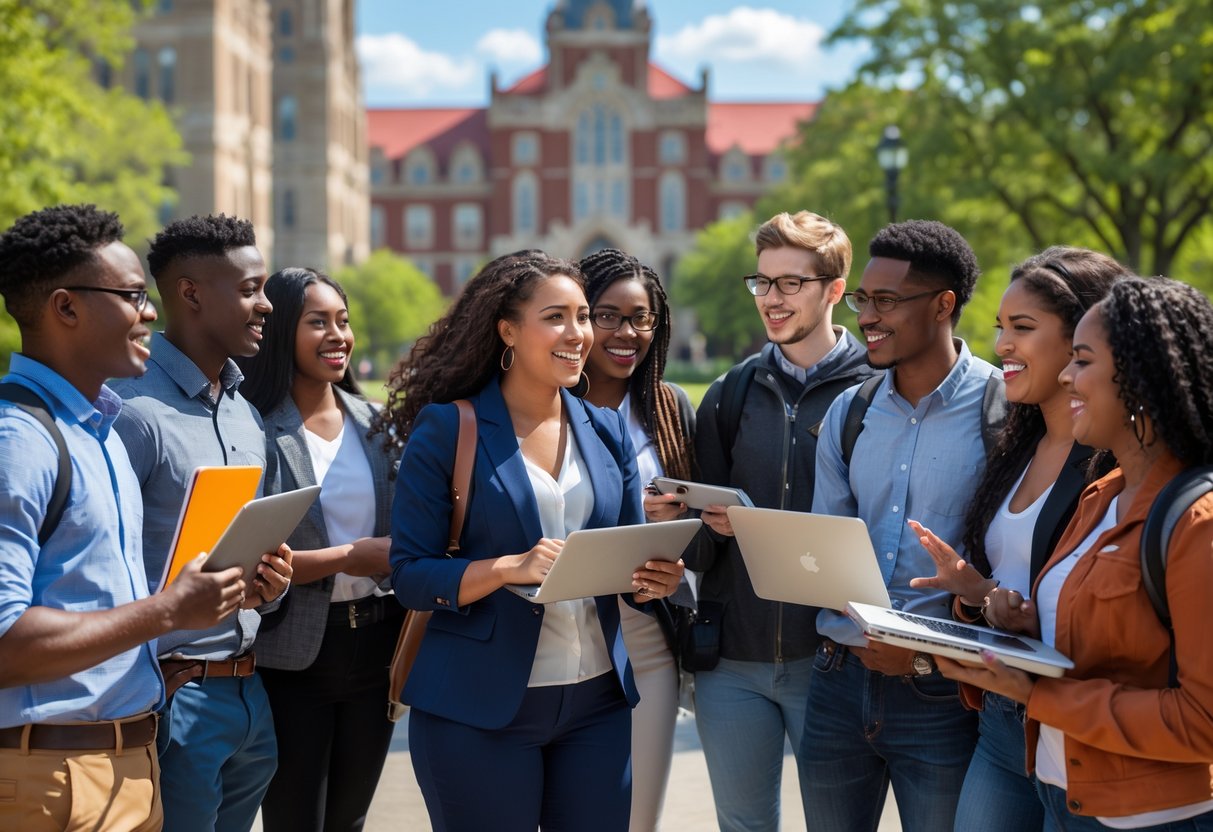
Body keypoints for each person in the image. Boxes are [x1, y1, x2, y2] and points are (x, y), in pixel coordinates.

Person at [378, 250, 685, 832]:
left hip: (598, 704)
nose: (578, 334)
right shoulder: (449, 428)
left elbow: (623, 557)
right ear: (508, 330)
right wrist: (503, 568)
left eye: (583, 316)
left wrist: (652, 582)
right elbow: (410, 575)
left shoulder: (606, 428)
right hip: (479, 709)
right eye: (556, 317)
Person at [0, 204, 248, 831]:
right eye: (133, 296)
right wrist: (169, 611)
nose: (151, 312)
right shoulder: (19, 442)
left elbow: (100, 609)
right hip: (50, 780)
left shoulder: (105, 432)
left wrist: (198, 606)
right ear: (66, 307)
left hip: (132, 763)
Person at [942, 277, 1213, 830]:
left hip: (1152, 817)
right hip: (1061, 796)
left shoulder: (1194, 522)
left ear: (1138, 381)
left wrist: (1041, 694)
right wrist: (997, 615)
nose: (1067, 374)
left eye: (1083, 361)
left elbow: (1203, 721)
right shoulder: (1102, 494)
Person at [908, 247, 1128, 831]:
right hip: (1003, 725)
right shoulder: (1015, 443)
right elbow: (1013, 594)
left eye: (1023, 328)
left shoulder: (1114, 463)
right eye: (1000, 328)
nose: (1002, 344)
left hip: (1078, 726)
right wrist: (975, 594)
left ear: (1083, 334)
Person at [688, 210, 878, 831]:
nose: (771, 299)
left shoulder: (878, 390)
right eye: (763, 282)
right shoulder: (728, 393)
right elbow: (699, 551)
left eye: (790, 283)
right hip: (733, 664)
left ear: (834, 290)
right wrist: (686, 520)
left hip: (831, 662)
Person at [806, 219, 995, 831]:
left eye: (886, 301)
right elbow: (825, 541)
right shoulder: (849, 410)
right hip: (837, 680)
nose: (866, 317)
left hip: (944, 693)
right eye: (864, 300)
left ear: (944, 305)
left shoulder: (1004, 412)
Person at [111, 214, 293, 832]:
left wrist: (272, 580)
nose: (266, 305)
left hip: (248, 692)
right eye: (249, 289)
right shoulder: (128, 410)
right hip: (172, 696)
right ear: (190, 294)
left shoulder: (245, 413)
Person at [235, 268, 400, 832]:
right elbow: (251, 558)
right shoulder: (251, 427)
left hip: (376, 645)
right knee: (294, 821)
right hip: (294, 653)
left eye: (343, 321)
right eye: (318, 322)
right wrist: (351, 557)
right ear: (281, 331)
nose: (338, 335)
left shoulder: (376, 423)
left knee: (350, 820)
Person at [578, 247, 695, 831]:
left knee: (637, 819)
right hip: (560, 637)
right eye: (607, 316)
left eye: (640, 318)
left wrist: (682, 561)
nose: (626, 333)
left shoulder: (669, 410)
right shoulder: (544, 406)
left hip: (647, 643)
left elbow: (703, 543)